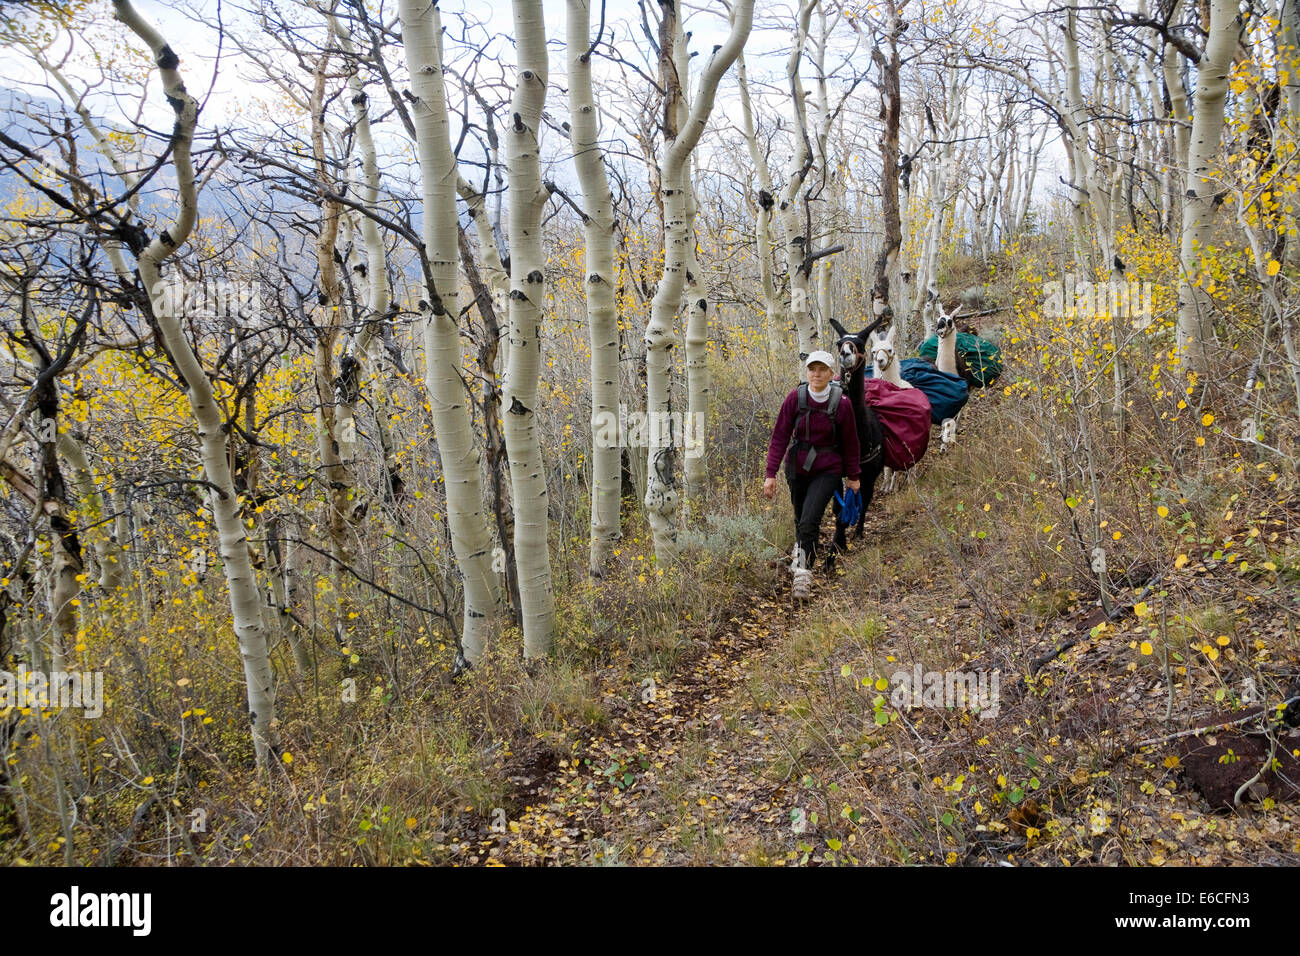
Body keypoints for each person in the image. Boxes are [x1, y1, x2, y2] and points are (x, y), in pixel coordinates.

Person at [763, 351, 861, 597]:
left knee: (809, 521)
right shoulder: (795, 398)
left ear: (831, 373)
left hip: (828, 469)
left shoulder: (842, 403)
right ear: (807, 372)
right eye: (812, 369)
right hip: (797, 468)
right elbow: (780, 437)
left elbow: (851, 442)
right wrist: (770, 473)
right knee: (800, 520)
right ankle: (804, 552)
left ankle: (803, 575)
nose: (816, 374)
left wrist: (853, 476)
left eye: (822, 369)